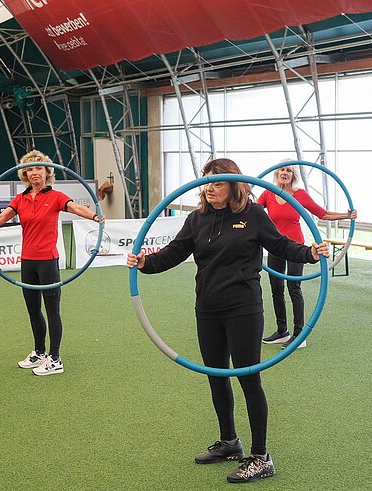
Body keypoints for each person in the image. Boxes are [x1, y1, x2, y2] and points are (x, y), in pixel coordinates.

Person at [126, 158, 329, 483]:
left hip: (243, 309)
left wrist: (310, 253)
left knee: (249, 379)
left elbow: (280, 245)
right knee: (216, 376)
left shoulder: (253, 215)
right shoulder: (196, 219)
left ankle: (261, 457)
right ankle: (229, 442)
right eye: (206, 181)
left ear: (234, 186)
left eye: (217, 182)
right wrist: (144, 263)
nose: (209, 188)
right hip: (207, 309)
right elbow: (174, 253)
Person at [0, 150, 102, 376]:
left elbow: (76, 208)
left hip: (48, 261)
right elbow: (1, 218)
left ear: (47, 172)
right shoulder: (20, 199)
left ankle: (55, 358)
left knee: (52, 310)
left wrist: (94, 216)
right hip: (28, 261)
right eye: (30, 169)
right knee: (33, 310)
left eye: (39, 168)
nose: (35, 172)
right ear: (24, 174)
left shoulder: (56, 197)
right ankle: (39, 352)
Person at [257, 162, 356, 349]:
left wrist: (346, 215)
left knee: (293, 287)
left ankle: (299, 335)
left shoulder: (299, 195)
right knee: (276, 287)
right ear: (277, 173)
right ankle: (282, 331)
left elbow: (322, 214)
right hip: (275, 245)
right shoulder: (268, 193)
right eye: (282, 169)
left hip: (295, 247)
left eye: (289, 170)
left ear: (293, 176)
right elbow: (252, 211)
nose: (285, 172)